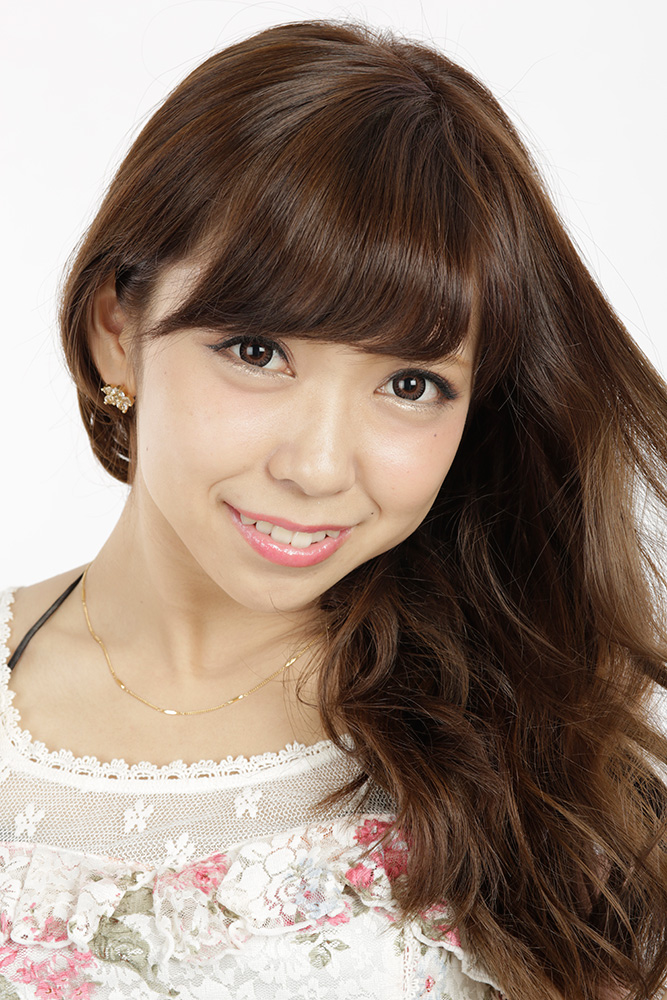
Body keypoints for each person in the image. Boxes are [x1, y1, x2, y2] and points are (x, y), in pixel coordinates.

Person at [1, 19, 666, 1000]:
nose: (316, 467)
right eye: (258, 352)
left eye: (410, 384)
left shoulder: (540, 774)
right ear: (115, 331)